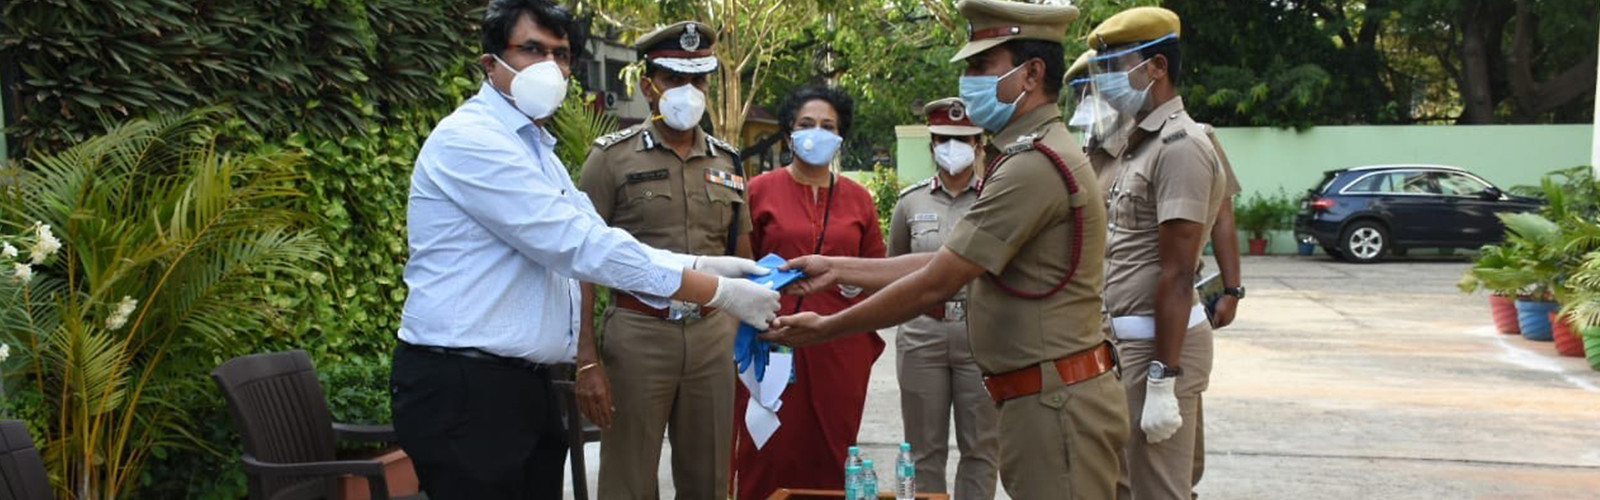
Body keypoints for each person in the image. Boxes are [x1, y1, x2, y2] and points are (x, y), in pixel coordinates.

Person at [389, 2, 781, 498]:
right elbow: (580, 247)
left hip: (520, 385)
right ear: (491, 63)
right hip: (465, 385)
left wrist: (700, 263)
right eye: (532, 50)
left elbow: (595, 232)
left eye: (562, 54)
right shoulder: (473, 141)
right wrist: (718, 290)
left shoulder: (534, 147)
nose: (550, 67)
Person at [764, 0, 1129, 497]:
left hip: (1054, 404)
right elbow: (947, 259)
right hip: (1044, 396)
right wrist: (835, 267)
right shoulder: (1029, 155)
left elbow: (940, 280)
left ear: (1031, 74)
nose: (968, 82)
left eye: (982, 66)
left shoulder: (1032, 166)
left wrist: (827, 327)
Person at [573, 21, 749, 499]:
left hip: (712, 334)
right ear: (649, 86)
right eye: (675, 79)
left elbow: (742, 255)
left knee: (710, 479)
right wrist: (587, 359)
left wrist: (731, 331)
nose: (687, 92)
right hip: (638, 336)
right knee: (627, 480)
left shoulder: (728, 163)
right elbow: (579, 263)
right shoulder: (610, 160)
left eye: (699, 80)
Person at [1082, 7, 1227, 500]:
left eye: (1114, 67)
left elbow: (1179, 272)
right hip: (1125, 346)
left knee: (1159, 490)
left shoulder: (1180, 145)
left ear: (1157, 68)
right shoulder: (1134, 144)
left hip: (1157, 350)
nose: (1104, 81)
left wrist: (1163, 379)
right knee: (1123, 486)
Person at [731, 84, 887, 500]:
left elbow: (877, 271)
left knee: (834, 449)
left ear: (840, 138)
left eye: (827, 126)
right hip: (772, 339)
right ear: (788, 134)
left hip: (839, 343)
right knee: (766, 450)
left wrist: (848, 282)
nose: (816, 132)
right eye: (806, 124)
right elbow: (741, 268)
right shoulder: (758, 190)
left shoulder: (859, 200)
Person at [887, 97, 999, 500]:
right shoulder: (910, 203)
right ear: (932, 143)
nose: (954, 147)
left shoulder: (997, 199)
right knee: (921, 450)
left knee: (982, 449)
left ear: (980, 144)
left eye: (964, 139)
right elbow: (894, 269)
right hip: (922, 334)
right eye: (945, 138)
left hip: (981, 335)